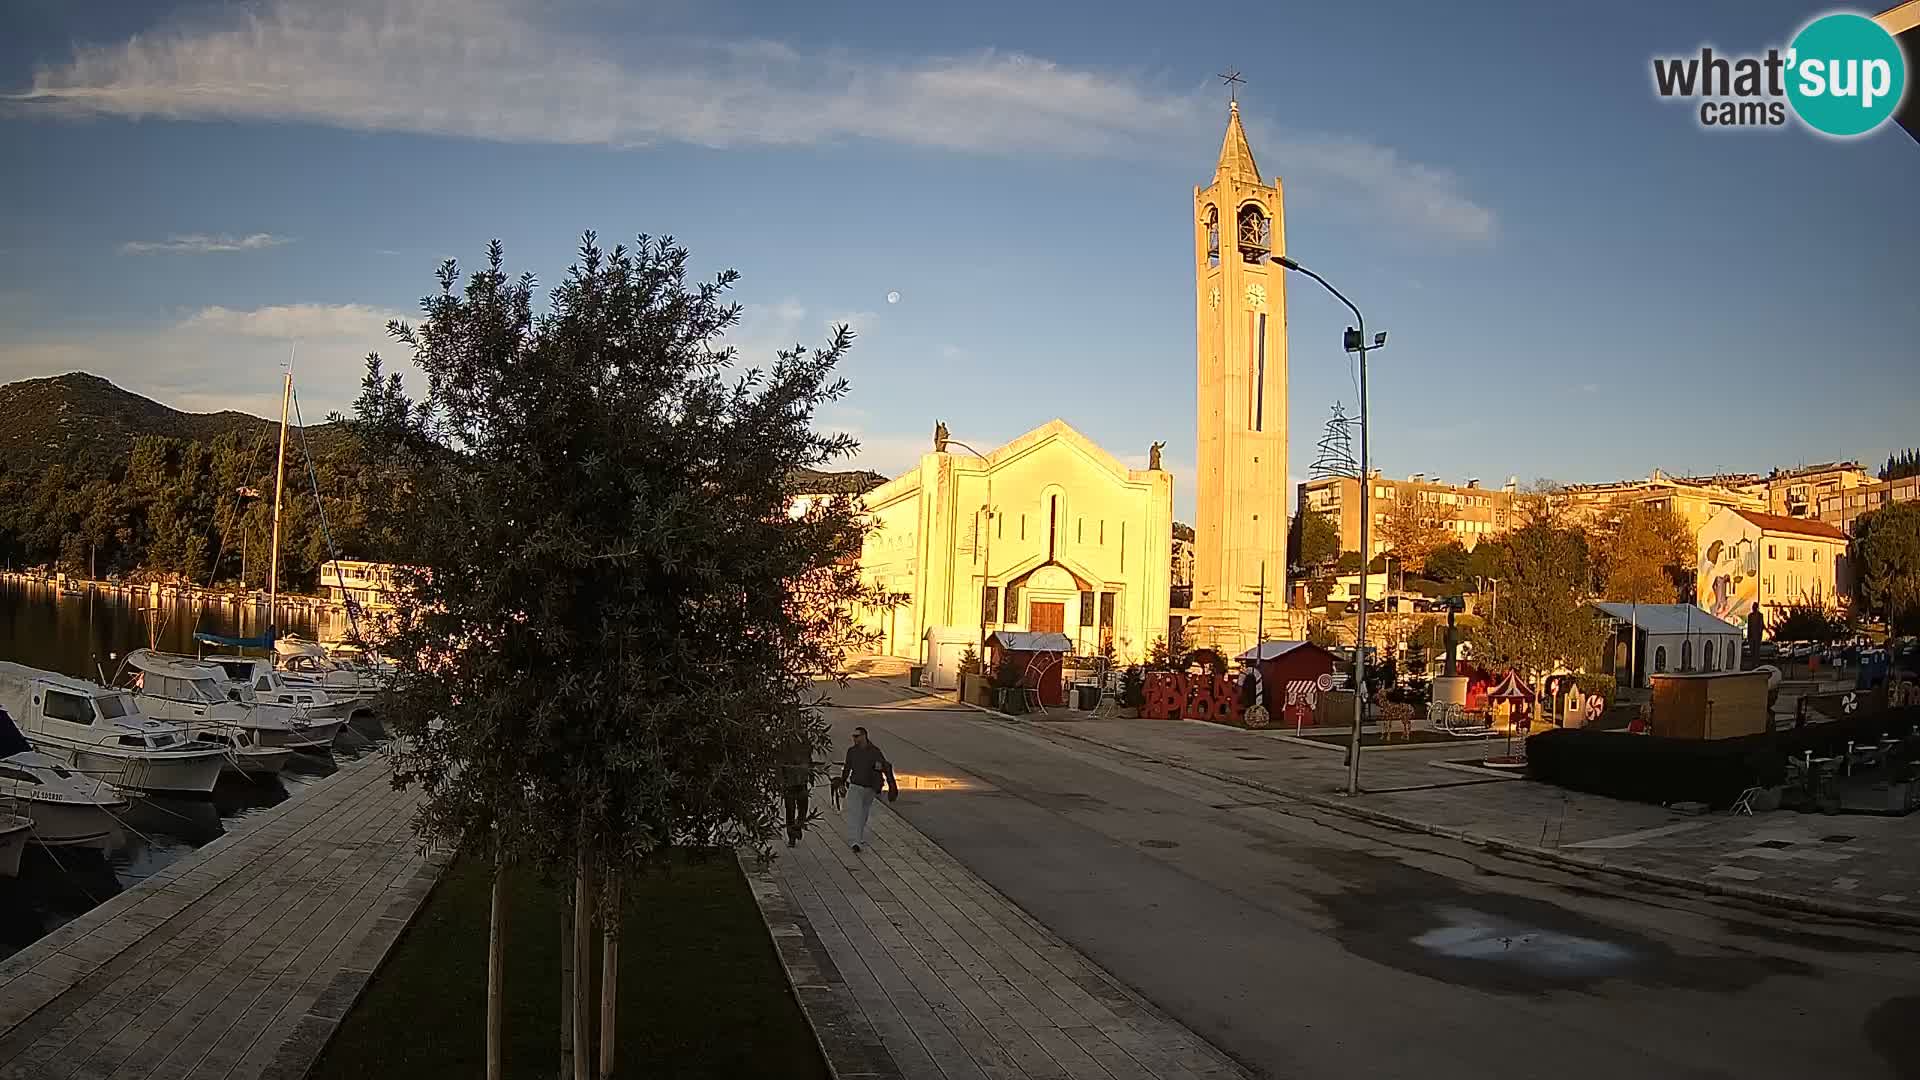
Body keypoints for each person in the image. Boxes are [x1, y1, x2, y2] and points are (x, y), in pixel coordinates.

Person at [840, 726, 898, 852]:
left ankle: (858, 838)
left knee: (863, 814)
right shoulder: (852, 751)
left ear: (864, 736)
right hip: (855, 786)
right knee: (854, 814)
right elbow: (847, 768)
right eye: (853, 736)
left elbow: (885, 767)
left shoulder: (875, 752)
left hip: (870, 788)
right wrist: (842, 782)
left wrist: (892, 786)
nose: (854, 739)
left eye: (857, 736)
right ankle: (855, 841)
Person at [780, 727, 815, 848]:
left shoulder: (806, 742)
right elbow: (781, 762)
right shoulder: (786, 742)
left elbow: (809, 758)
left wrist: (811, 776)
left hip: (802, 781)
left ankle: (798, 827)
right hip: (790, 782)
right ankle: (791, 836)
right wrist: (782, 780)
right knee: (790, 810)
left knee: (803, 808)